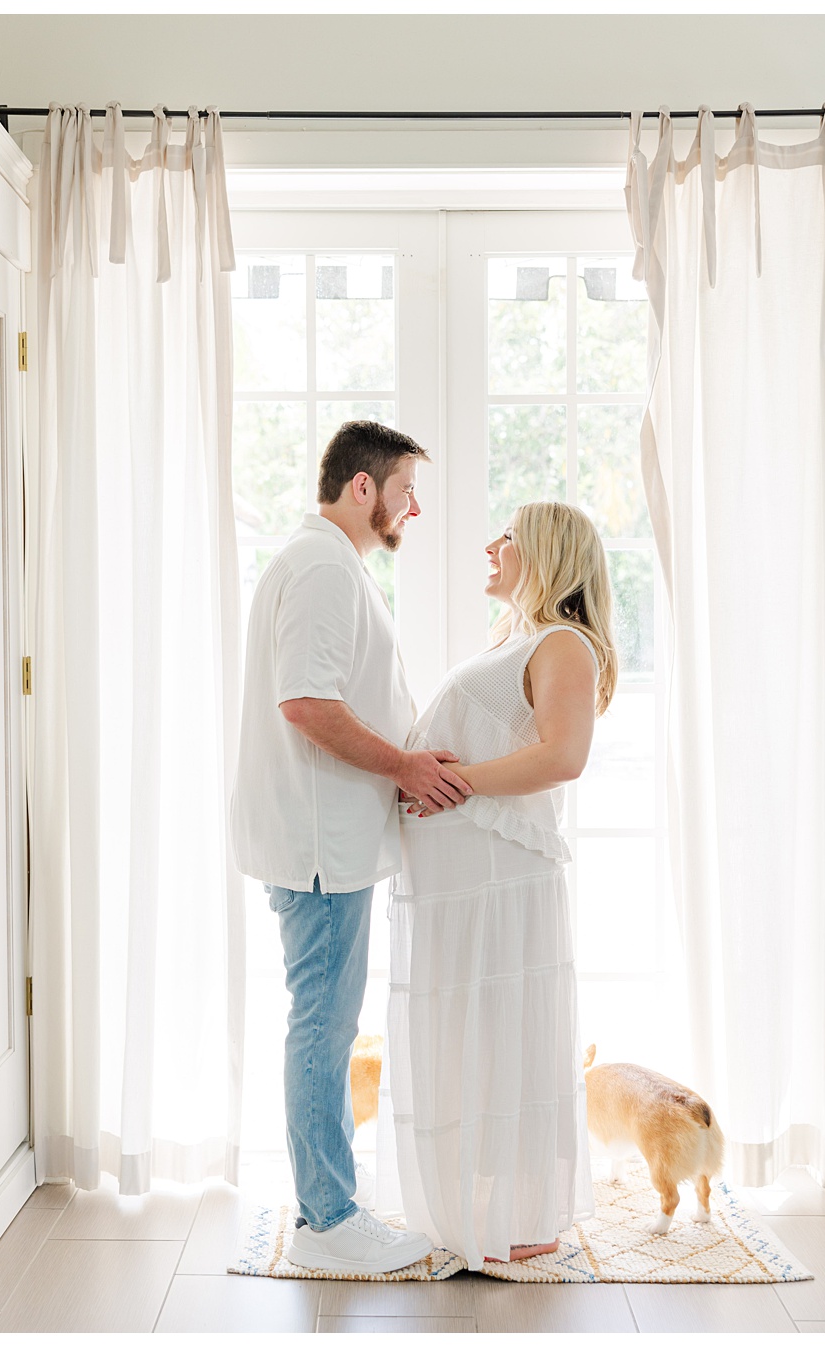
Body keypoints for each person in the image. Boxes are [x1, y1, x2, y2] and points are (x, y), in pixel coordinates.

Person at [231, 420, 468, 1275]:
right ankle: (329, 1219)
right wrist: (405, 763)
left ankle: (330, 1207)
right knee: (325, 1028)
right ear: (362, 488)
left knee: (324, 1024)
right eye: (406, 488)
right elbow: (307, 702)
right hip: (320, 844)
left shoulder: (322, 562)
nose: (415, 506)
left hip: (319, 837)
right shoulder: (326, 566)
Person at [377, 499, 614, 1266]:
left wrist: (459, 783)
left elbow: (564, 755)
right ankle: (478, 1207)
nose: (490, 546)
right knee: (466, 1038)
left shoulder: (563, 644)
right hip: (462, 886)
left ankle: (520, 1217)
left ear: (544, 552)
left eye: (505, 537)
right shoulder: (520, 640)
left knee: (505, 1030)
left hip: (498, 883)